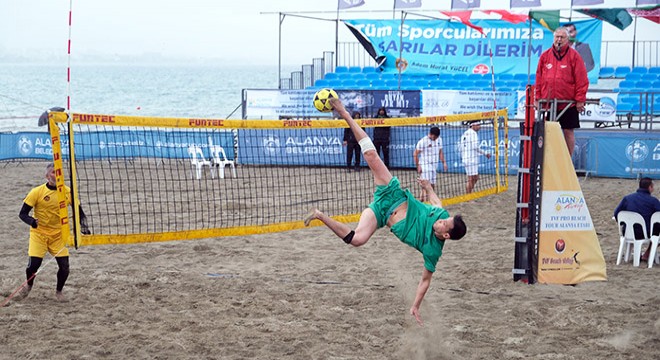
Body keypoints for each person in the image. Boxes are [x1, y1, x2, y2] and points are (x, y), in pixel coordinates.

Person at [304, 98, 467, 326]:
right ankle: (343, 112)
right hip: (392, 194)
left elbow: (425, 281)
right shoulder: (441, 216)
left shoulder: (433, 250)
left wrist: (416, 305)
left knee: (358, 240)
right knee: (371, 155)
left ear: (446, 235)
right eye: (445, 219)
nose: (441, 221)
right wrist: (429, 188)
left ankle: (320, 215)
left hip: (381, 214)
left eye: (444, 225)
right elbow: (438, 204)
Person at [16, 163, 90, 301]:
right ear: (47, 176)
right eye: (53, 173)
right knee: (34, 266)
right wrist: (32, 221)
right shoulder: (36, 192)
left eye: (59, 173)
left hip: (58, 235)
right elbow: (22, 214)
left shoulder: (68, 192)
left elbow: (79, 212)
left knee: (65, 267)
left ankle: (59, 292)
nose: (57, 175)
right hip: (39, 233)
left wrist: (84, 226)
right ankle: (29, 286)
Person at [534, 27, 589, 158]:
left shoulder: (574, 56)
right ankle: (547, 158)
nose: (559, 40)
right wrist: (537, 98)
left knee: (568, 131)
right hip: (548, 103)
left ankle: (567, 160)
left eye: (562, 37)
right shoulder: (545, 56)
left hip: (567, 103)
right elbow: (539, 78)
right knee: (547, 131)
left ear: (567, 39)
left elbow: (581, 79)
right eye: (557, 37)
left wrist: (580, 99)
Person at [613, 177, 660, 263]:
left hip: (627, 232)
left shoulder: (627, 198)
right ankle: (648, 253)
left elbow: (616, 213)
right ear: (650, 187)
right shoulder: (653, 201)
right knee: (658, 232)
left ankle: (646, 254)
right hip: (645, 233)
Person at [413, 126, 448, 202]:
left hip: (434, 165)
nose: (436, 138)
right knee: (426, 186)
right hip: (425, 165)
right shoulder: (423, 141)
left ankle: (422, 202)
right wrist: (418, 165)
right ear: (431, 134)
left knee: (431, 186)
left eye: (437, 137)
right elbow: (415, 154)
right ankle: (427, 205)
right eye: (435, 137)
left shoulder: (439, 139)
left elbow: (440, 152)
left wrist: (444, 162)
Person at [460, 121, 491, 194]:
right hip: (471, 159)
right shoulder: (473, 134)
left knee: (475, 178)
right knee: (471, 179)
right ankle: (468, 195)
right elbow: (475, 147)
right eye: (478, 125)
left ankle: (469, 192)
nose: (480, 126)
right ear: (473, 125)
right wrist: (485, 153)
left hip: (466, 158)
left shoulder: (465, 133)